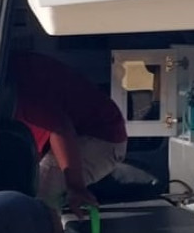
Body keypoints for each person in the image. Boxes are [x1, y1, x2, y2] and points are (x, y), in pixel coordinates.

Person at [8, 50, 129, 210]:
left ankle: (49, 232)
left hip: (101, 138)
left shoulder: (19, 82)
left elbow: (61, 128)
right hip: (79, 131)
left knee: (40, 196)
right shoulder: (15, 66)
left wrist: (75, 187)